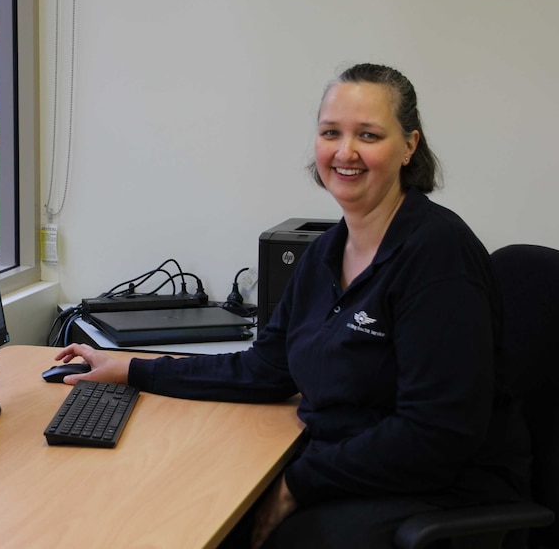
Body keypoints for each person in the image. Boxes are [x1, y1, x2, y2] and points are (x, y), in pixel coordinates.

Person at [53, 63, 530, 549]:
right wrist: (133, 369)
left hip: (439, 489)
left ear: (409, 145)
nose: (345, 152)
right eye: (331, 133)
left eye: (368, 134)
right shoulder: (326, 253)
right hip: (347, 464)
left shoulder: (437, 255)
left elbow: (434, 436)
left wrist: (296, 484)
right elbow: (265, 370)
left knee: (244, 531)